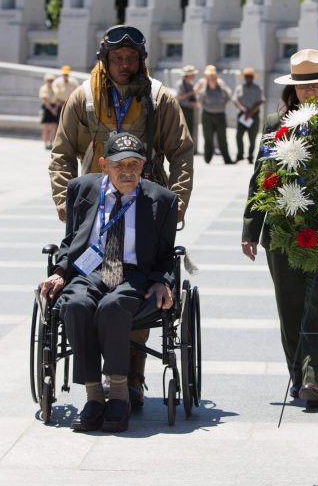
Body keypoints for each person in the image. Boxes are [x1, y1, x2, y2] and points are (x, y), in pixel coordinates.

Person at [49, 24, 194, 409]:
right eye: (117, 58)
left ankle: (132, 376)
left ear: (142, 59)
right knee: (89, 285)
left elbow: (180, 151)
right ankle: (97, 380)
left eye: (132, 58)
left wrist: (178, 200)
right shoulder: (83, 97)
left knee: (136, 279)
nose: (125, 65)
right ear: (104, 59)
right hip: (97, 203)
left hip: (145, 203)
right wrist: (63, 199)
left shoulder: (160, 98)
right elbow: (62, 152)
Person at [40, 132, 177, 434]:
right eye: (118, 165)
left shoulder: (162, 200)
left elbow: (167, 255)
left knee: (113, 306)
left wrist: (160, 282)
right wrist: (60, 271)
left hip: (132, 274)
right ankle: (93, 395)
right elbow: (70, 240)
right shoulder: (81, 188)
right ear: (103, 165)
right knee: (74, 304)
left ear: (144, 166)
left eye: (134, 164)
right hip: (88, 270)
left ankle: (118, 394)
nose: (127, 171)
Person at [242, 49, 318, 410]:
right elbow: (261, 174)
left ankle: (314, 376)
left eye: (317, 84)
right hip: (283, 227)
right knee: (289, 305)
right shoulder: (276, 122)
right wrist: (250, 227)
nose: (310, 92)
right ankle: (298, 372)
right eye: (303, 86)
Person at [195, 64, 234, 164]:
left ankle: (227, 159)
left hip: (220, 114)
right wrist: (203, 106)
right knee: (208, 137)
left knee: (222, 137)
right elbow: (198, 97)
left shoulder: (220, 83)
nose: (211, 78)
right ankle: (207, 158)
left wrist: (223, 103)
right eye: (209, 76)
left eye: (212, 76)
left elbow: (229, 95)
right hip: (207, 114)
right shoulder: (202, 83)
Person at [233, 67, 265, 163]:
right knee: (239, 136)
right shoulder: (240, 88)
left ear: (253, 78)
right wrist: (243, 109)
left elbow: (261, 101)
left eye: (250, 77)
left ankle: (250, 156)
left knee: (252, 138)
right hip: (242, 115)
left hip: (253, 116)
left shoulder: (258, 88)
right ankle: (240, 154)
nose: (248, 79)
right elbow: (235, 99)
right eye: (246, 77)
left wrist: (251, 112)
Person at [176, 65, 199, 155]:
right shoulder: (180, 84)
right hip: (183, 108)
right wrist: (192, 93)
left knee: (190, 130)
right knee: (183, 130)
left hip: (190, 109)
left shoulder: (190, 84)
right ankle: (182, 149)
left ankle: (189, 149)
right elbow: (180, 96)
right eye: (192, 74)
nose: (193, 76)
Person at [39, 73, 59, 150]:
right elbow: (45, 100)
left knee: (54, 126)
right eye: (49, 80)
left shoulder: (55, 89)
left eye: (52, 80)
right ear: (45, 81)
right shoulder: (44, 88)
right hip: (47, 108)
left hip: (54, 106)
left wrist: (56, 108)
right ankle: (45, 142)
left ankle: (51, 142)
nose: (50, 82)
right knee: (45, 127)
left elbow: (57, 99)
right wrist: (52, 110)